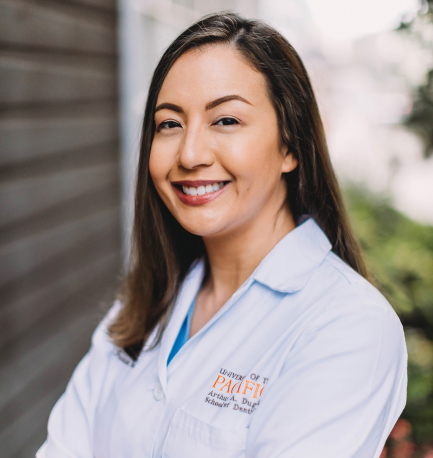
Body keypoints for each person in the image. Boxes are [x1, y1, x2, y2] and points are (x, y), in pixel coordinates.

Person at [37, 12, 407, 458]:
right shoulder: (143, 306)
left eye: (226, 120)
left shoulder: (347, 325)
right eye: (169, 124)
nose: (190, 153)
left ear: (290, 144)